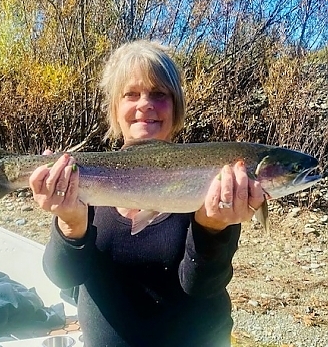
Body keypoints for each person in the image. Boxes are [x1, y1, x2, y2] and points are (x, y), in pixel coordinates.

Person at [29, 40, 265, 347]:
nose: (145, 104)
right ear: (115, 108)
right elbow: (63, 278)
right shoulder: (82, 177)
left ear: (176, 106)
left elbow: (201, 286)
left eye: (159, 94)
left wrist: (212, 228)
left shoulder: (218, 181)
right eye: (131, 94)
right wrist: (71, 225)